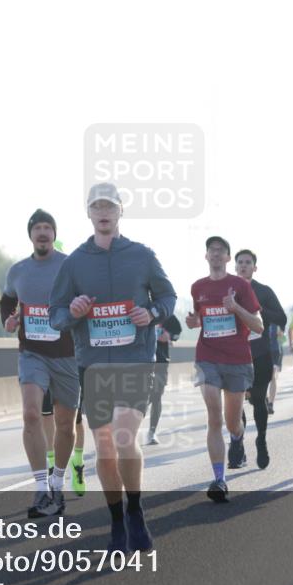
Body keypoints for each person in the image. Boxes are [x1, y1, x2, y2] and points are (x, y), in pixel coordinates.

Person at [50, 182, 176, 553]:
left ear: (121, 211)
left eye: (109, 206)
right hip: (94, 364)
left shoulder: (142, 255)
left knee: (124, 437)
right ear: (88, 214)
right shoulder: (74, 262)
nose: (103, 212)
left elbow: (168, 296)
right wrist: (71, 312)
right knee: (104, 446)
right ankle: (117, 519)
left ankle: (136, 512)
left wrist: (152, 313)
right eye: (96, 207)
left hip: (136, 360)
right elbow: (56, 312)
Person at [0, 209, 81, 518]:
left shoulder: (70, 266)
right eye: (38, 228)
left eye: (48, 227)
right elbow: (7, 299)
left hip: (68, 355)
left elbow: (88, 297)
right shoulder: (18, 270)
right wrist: (8, 319)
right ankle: (40, 487)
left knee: (64, 424)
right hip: (31, 353)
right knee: (31, 413)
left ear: (55, 234)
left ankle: (57, 482)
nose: (43, 233)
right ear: (31, 235)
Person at [187, 237, 262, 503]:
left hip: (238, 359)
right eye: (212, 250)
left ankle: (238, 436)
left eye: (221, 251)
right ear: (206, 256)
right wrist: (193, 321)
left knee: (232, 421)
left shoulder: (240, 285)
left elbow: (258, 326)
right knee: (214, 416)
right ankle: (219, 479)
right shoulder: (198, 287)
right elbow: (198, 319)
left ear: (228, 258)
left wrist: (236, 308)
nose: (216, 254)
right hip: (207, 356)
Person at [235, 249, 286, 470]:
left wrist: (260, 311)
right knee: (236, 404)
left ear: (255, 267)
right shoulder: (227, 290)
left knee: (257, 399)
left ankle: (262, 440)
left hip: (260, 354)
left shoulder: (263, 291)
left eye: (248, 262)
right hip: (234, 355)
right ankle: (238, 445)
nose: (244, 265)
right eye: (240, 262)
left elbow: (282, 317)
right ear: (235, 266)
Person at [146, 314, 182, 445]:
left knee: (156, 396)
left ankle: (152, 432)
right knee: (141, 397)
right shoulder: (138, 309)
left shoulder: (166, 313)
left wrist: (169, 336)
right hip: (141, 360)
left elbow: (178, 332)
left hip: (161, 361)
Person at [266, 325, 285, 414]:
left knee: (272, 376)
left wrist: (280, 331)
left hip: (274, 350)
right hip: (259, 350)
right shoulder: (255, 315)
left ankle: (270, 404)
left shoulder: (275, 318)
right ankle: (265, 400)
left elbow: (281, 334)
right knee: (262, 378)